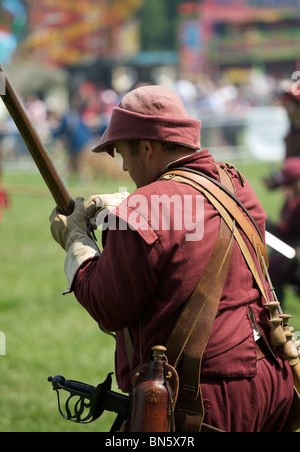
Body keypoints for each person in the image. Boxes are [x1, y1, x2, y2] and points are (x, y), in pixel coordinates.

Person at [49, 85, 294, 432]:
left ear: (147, 148)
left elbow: (109, 306)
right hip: (271, 387)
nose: (123, 168)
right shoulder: (234, 183)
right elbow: (187, 217)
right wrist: (122, 211)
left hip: (202, 400)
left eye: (124, 154)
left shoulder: (142, 209)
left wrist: (76, 242)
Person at [267, 157, 300, 305]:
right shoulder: (293, 202)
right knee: (271, 266)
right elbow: (286, 233)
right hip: (292, 254)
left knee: (272, 268)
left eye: (290, 185)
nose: (286, 191)